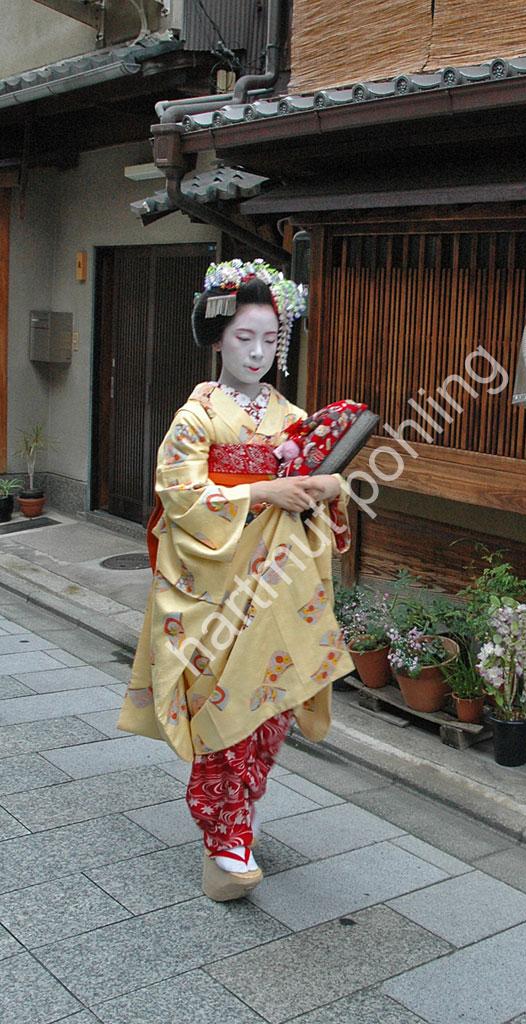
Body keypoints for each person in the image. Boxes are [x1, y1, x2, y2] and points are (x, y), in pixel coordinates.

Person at [117, 258, 354, 901]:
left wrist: (329, 487)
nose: (257, 352)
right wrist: (264, 489)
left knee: (265, 708)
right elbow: (180, 491)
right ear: (216, 338)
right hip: (217, 589)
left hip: (278, 586)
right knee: (223, 706)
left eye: (269, 340)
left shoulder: (294, 417)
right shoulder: (196, 417)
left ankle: (238, 826)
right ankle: (224, 838)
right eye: (243, 337)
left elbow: (322, 495)